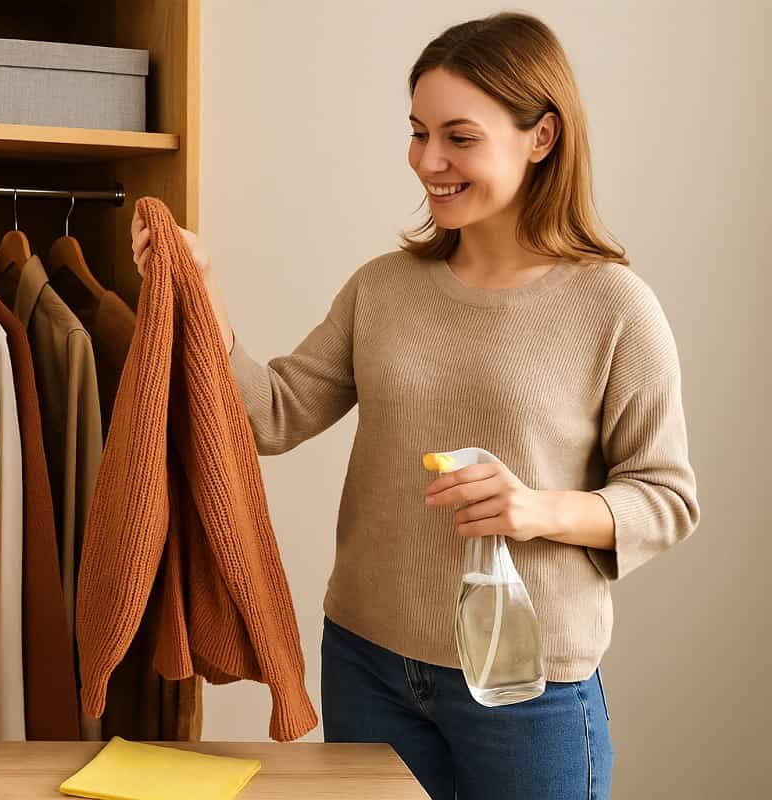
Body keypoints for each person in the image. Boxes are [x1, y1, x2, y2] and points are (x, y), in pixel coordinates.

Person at [131, 11, 699, 800]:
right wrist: (200, 288)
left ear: (542, 137)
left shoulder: (614, 306)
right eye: (417, 132)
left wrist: (535, 509)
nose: (428, 160)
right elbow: (270, 414)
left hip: (525, 685)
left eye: (459, 137)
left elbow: (667, 499)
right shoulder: (383, 288)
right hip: (368, 662)